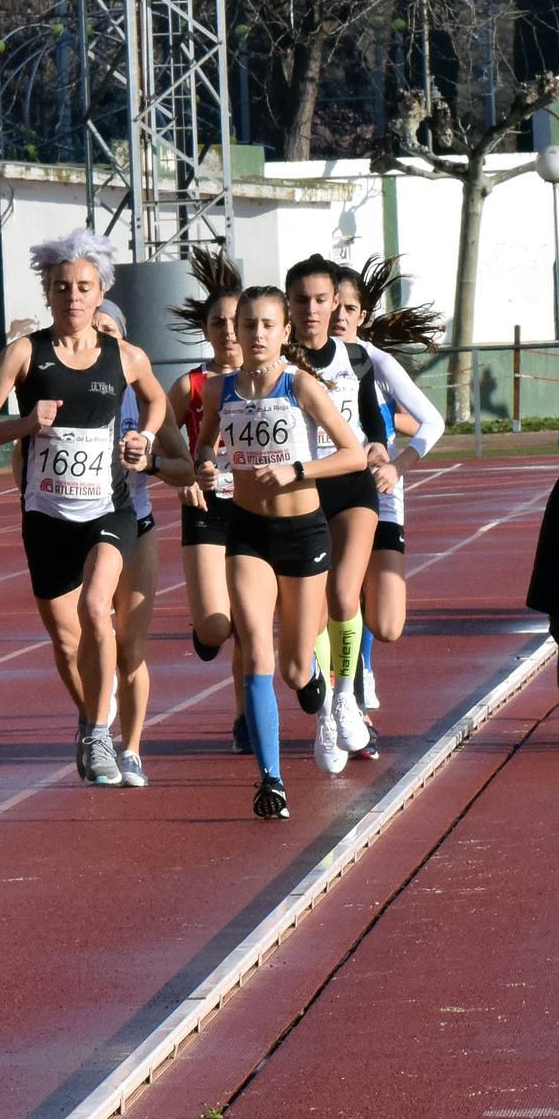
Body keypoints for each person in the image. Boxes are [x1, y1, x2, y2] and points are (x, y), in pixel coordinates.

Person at [0, 228, 180, 787]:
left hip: (112, 509)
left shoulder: (125, 356)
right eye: (62, 287)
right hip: (46, 517)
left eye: (84, 287)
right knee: (65, 639)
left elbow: (156, 400)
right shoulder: (24, 354)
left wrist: (146, 441)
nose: (73, 298)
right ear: (48, 293)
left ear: (100, 290)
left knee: (96, 609)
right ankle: (91, 723)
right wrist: (26, 424)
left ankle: (100, 733)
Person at [194, 285, 364, 819]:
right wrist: (204, 464)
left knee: (293, 669)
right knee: (255, 648)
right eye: (249, 327)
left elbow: (353, 455)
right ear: (236, 334)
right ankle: (271, 781)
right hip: (246, 533)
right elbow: (204, 444)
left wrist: (296, 469)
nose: (258, 335)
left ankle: (322, 685)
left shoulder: (301, 386)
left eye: (269, 325)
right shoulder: (221, 390)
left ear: (285, 332)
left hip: (302, 533)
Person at [330, 257, 444, 747]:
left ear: (362, 314)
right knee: (341, 597)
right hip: (326, 499)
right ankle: (347, 702)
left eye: (347, 307)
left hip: (382, 500)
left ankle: (359, 672)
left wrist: (398, 467)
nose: (337, 315)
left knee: (387, 622)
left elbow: (432, 423)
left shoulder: (377, 362)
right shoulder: (299, 365)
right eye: (329, 304)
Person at [284, 254, 388, 774]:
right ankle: (325, 711)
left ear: (335, 303)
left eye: (321, 299)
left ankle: (347, 695)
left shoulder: (357, 359)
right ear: (289, 305)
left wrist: (381, 453)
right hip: (301, 493)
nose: (311, 309)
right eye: (301, 300)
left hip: (352, 490)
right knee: (315, 611)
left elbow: (374, 427)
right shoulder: (276, 363)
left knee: (346, 594)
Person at [92, 299, 193, 785]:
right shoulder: (66, 389)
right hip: (80, 529)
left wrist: (149, 462)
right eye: (93, 330)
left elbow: (184, 469)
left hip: (135, 524)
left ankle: (130, 748)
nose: (100, 338)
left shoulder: (143, 393)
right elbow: (22, 461)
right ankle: (95, 724)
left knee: (130, 647)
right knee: (90, 637)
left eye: (109, 330)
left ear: (125, 339)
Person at [161, 248, 248, 753]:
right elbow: (158, 437)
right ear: (207, 329)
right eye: (219, 322)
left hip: (258, 509)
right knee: (218, 627)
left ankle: (243, 718)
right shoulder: (190, 385)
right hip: (206, 509)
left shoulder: (277, 379)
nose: (230, 332)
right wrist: (182, 475)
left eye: (238, 322)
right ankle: (204, 632)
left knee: (249, 622)